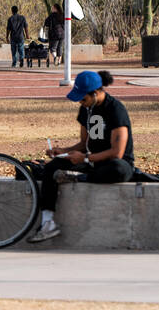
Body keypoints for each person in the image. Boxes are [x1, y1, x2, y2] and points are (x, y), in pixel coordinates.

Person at [28, 70, 135, 243]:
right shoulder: (86, 109)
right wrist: (63, 151)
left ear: (95, 93)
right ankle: (47, 222)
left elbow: (117, 152)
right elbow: (84, 142)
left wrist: (85, 159)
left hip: (112, 163)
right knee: (51, 167)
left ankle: (82, 177)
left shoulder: (115, 109)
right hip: (90, 161)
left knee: (118, 169)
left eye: (83, 99)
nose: (81, 102)